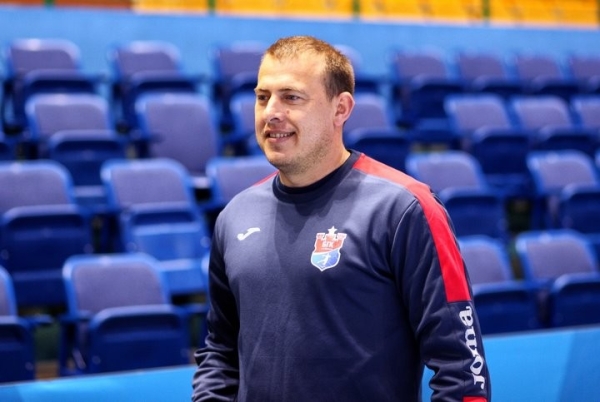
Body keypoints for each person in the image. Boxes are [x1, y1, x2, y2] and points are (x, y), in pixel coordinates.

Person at [192, 35, 491, 402]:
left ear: (341, 109)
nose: (271, 112)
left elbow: (462, 371)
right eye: (262, 97)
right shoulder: (235, 215)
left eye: (291, 97)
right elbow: (220, 350)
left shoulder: (404, 209)